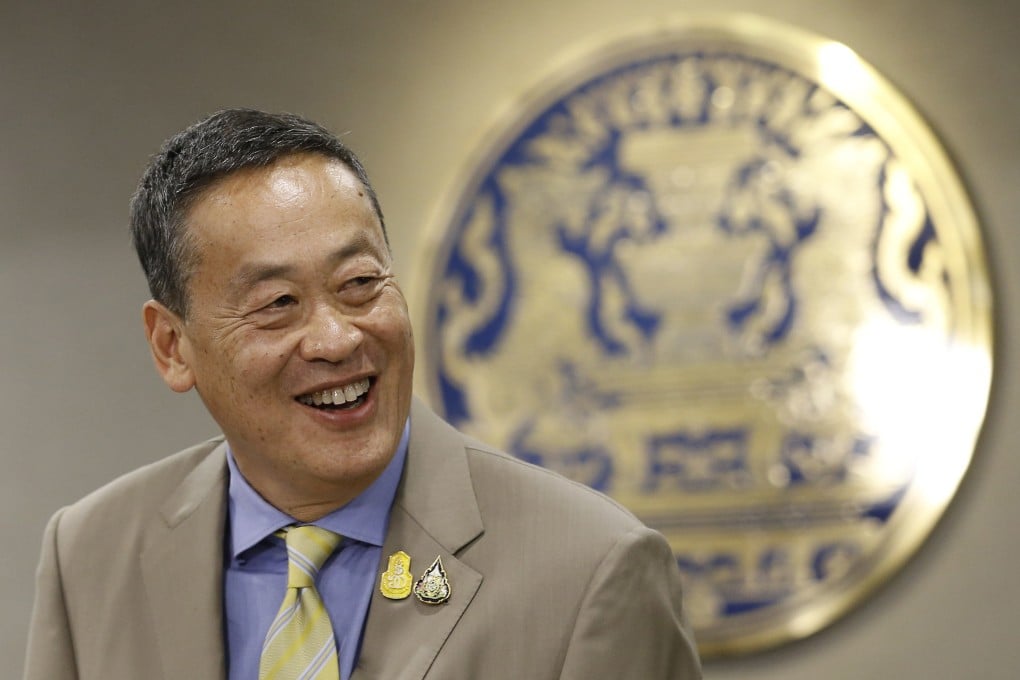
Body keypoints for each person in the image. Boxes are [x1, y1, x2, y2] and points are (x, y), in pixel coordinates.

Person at [23, 108, 702, 680]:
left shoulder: (589, 567)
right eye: (279, 303)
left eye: (359, 285)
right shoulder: (91, 553)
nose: (336, 338)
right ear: (172, 347)